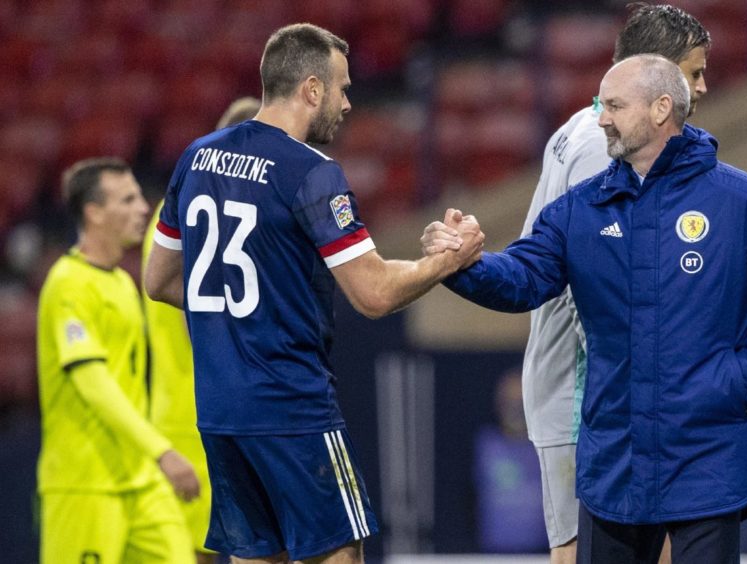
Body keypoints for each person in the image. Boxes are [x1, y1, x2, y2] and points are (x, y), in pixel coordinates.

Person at [430, 55, 747, 562]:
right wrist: (462, 263)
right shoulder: (580, 208)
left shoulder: (745, 203)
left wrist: (742, 376)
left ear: (662, 108)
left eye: (614, 105)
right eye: (602, 104)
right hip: (614, 463)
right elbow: (524, 278)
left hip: (708, 457)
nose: (600, 117)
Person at [143, 24, 483, 564]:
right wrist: (447, 262)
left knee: (257, 556)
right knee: (339, 555)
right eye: (343, 88)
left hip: (220, 411)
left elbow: (158, 281)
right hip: (292, 409)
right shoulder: (311, 172)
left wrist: (244, 307)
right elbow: (372, 294)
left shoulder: (195, 157)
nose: (348, 103)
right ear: (311, 89)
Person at [422, 6, 710, 563]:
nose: (702, 86)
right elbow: (592, 279)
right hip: (587, 390)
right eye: (694, 72)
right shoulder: (600, 146)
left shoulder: (587, 129)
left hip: (599, 389)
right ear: (659, 79)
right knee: (587, 551)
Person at [36, 158, 199, 564]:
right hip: (85, 486)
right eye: (127, 200)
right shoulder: (67, 285)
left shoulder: (125, 284)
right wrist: (162, 450)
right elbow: (92, 382)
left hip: (140, 481)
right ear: (94, 213)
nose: (144, 208)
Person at [141, 95, 261, 564]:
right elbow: (207, 325)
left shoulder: (174, 211)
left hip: (187, 415)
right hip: (203, 421)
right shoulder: (211, 215)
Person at [473, 368, 548, 553]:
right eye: (510, 403)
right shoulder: (486, 445)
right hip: (494, 554)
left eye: (522, 403)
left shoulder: (549, 449)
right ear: (499, 404)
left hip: (541, 555)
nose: (516, 411)